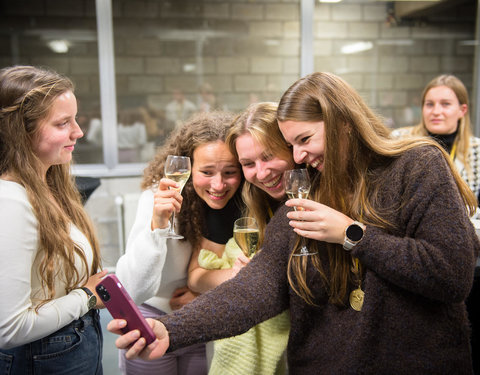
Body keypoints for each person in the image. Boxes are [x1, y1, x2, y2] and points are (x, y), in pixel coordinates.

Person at [108, 72, 480, 374]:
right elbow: (257, 288)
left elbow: (452, 274)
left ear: (342, 123)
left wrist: (353, 235)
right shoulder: (301, 199)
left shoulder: (417, 166)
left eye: (304, 139)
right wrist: (170, 330)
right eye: (292, 144)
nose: (298, 155)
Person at [114, 111, 244, 375]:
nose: (218, 184)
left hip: (198, 321)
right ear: (187, 167)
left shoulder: (239, 203)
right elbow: (133, 289)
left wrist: (200, 296)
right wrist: (158, 225)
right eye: (206, 172)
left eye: (230, 172)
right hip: (149, 318)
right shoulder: (158, 198)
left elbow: (214, 270)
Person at [0, 65, 107, 374]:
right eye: (63, 123)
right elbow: (10, 329)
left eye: (75, 119)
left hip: (73, 346)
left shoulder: (50, 187)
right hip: (43, 358)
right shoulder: (11, 203)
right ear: (22, 132)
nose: (79, 132)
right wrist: (86, 297)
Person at [189, 102, 293, 375]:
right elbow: (196, 276)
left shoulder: (320, 191)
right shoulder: (240, 200)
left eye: (269, 156)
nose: (261, 172)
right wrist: (234, 278)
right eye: (247, 164)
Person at [391, 74, 480, 201]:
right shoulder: (400, 141)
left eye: (445, 104)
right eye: (429, 104)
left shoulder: (476, 151)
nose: (436, 111)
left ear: (462, 110)